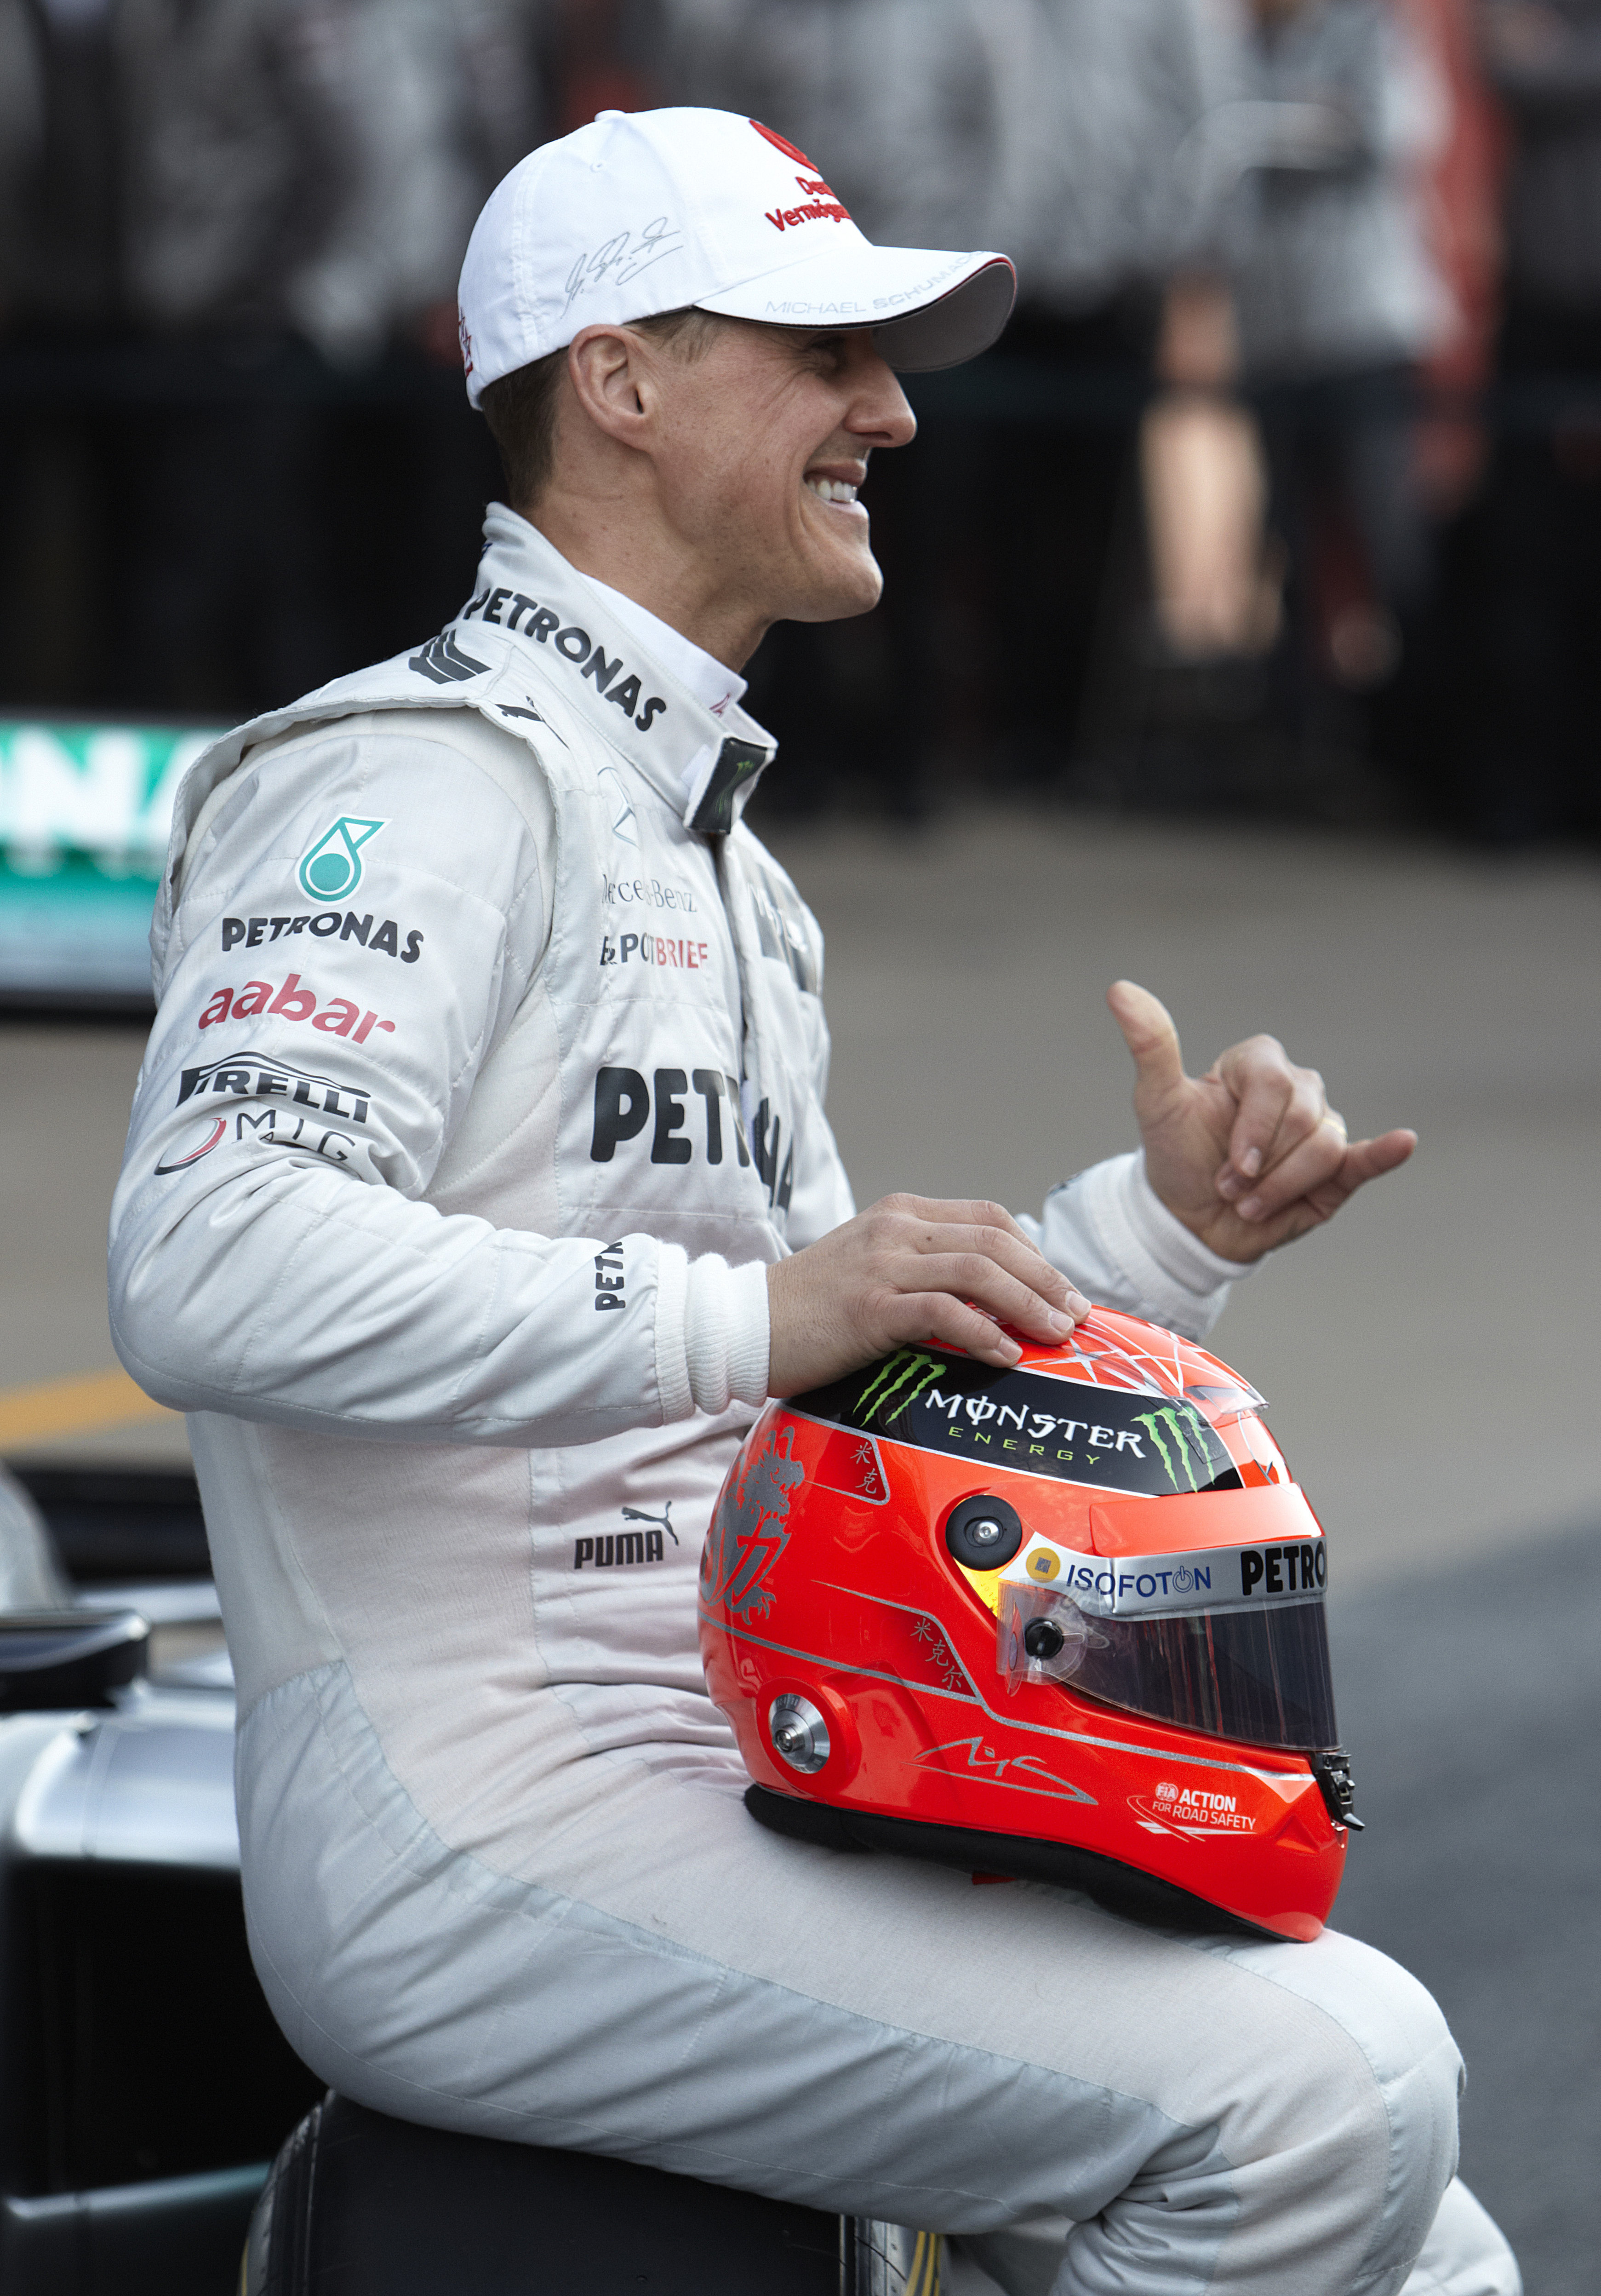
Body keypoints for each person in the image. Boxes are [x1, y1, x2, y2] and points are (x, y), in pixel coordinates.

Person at [107, 107, 1518, 2296]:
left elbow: (836, 1396)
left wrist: (1155, 1240)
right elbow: (204, 1259)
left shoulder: (727, 867)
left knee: (1429, 2244)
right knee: (1332, 2085)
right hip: (474, 1824)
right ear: (620, 383)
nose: (891, 413)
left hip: (753, 1761)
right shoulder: (408, 778)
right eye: (822, 354)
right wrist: (749, 1315)